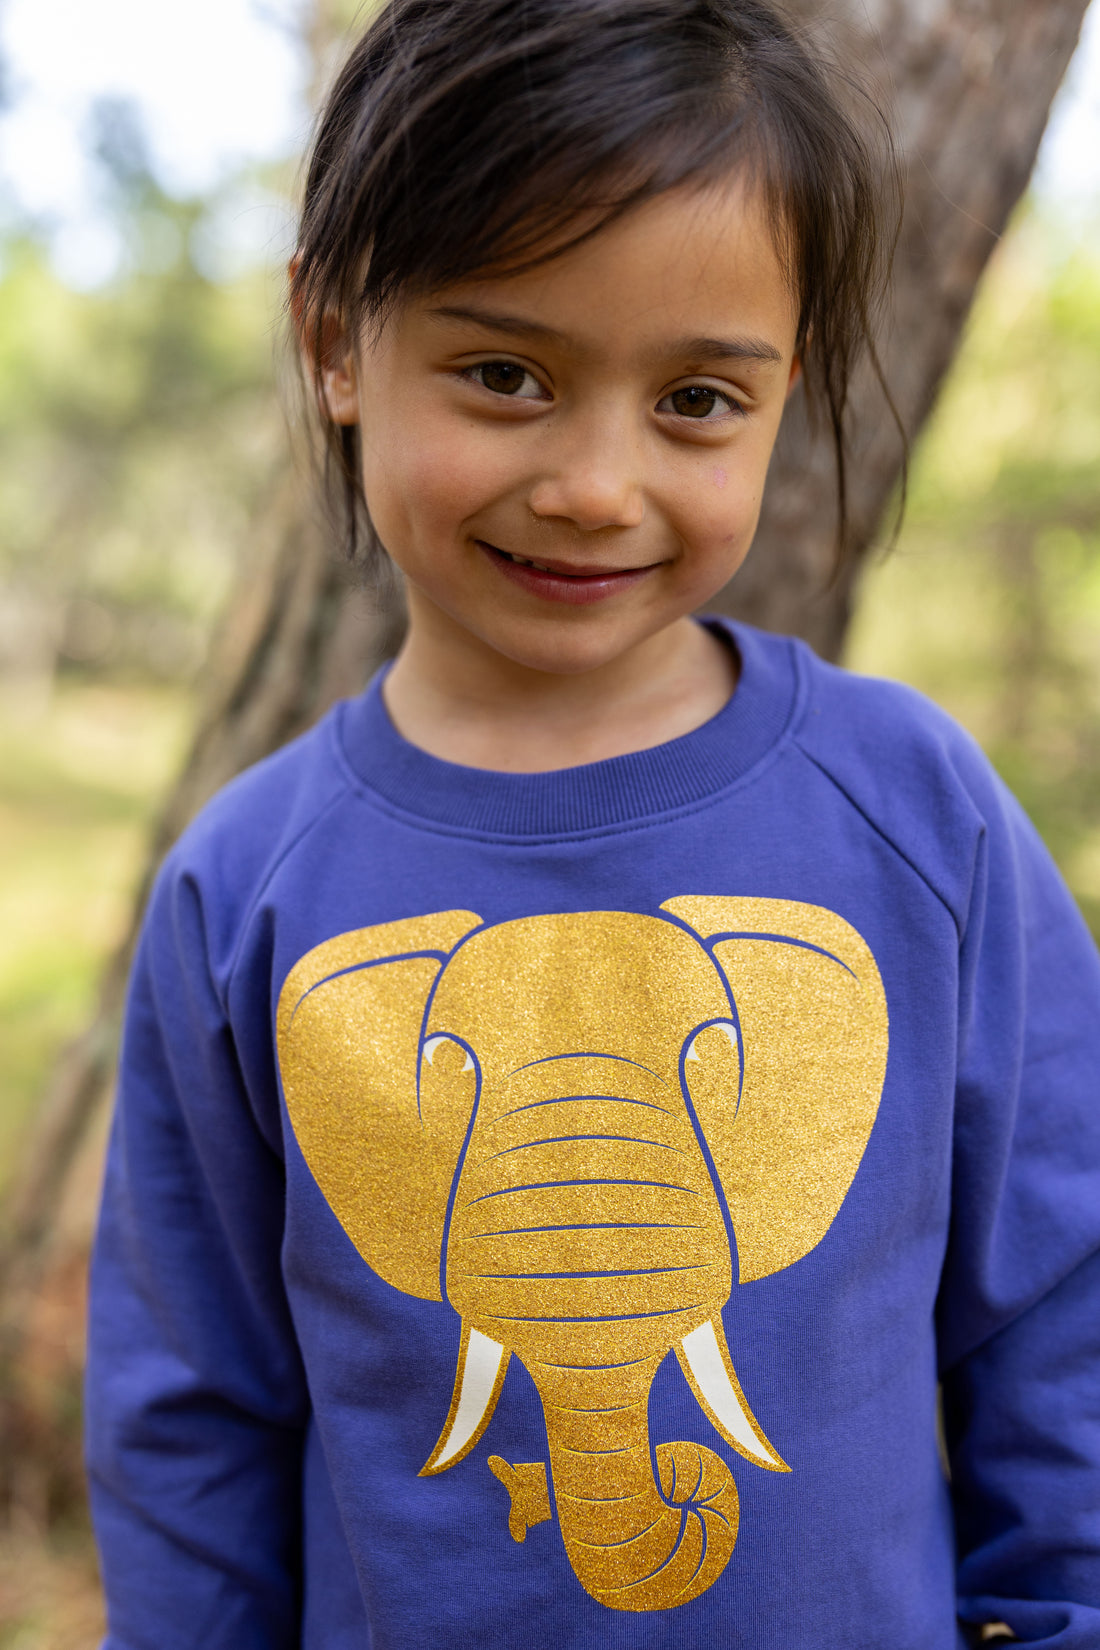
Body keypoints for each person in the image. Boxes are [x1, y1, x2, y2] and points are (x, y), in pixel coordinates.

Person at [84, 1, 1100, 1645]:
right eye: (505, 373)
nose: (595, 483)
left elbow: (1068, 1311)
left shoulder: (916, 813)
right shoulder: (248, 887)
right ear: (338, 340)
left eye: (698, 399)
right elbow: (191, 1417)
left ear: (788, 395)